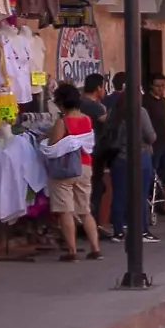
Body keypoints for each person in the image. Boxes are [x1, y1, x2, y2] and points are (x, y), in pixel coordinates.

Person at [44, 82, 101, 262]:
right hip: (84, 167)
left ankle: (72, 251)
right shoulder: (86, 120)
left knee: (65, 211)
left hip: (65, 169)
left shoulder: (63, 122)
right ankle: (95, 249)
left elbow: (53, 145)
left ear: (61, 102)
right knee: (85, 210)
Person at [103, 72, 159, 244]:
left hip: (119, 158)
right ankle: (141, 230)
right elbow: (151, 136)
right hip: (139, 157)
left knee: (119, 195)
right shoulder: (140, 112)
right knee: (140, 195)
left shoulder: (115, 112)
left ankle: (118, 231)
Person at [81, 74, 110, 232]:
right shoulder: (96, 108)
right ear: (98, 88)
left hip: (81, 153)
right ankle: (93, 226)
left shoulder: (79, 103)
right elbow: (108, 125)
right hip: (95, 153)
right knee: (96, 189)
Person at [144, 73, 165, 195]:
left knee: (164, 172)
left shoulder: (163, 101)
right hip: (153, 144)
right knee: (152, 172)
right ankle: (151, 197)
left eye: (163, 85)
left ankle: (160, 198)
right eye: (158, 86)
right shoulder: (145, 101)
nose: (161, 89)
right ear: (151, 86)